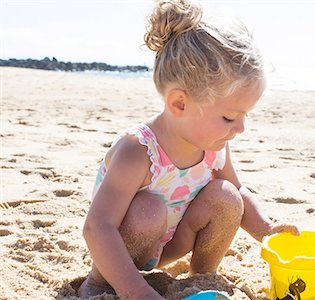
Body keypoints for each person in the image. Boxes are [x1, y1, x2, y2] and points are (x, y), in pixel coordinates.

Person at [79, 0, 299, 299]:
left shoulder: (212, 146)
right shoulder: (139, 150)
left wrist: (265, 230)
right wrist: (134, 290)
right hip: (125, 245)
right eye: (230, 118)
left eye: (245, 116)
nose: (240, 129)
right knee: (148, 209)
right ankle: (101, 281)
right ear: (179, 103)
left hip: (173, 242)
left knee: (226, 196)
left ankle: (203, 276)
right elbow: (98, 226)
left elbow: (238, 191)